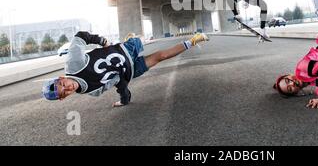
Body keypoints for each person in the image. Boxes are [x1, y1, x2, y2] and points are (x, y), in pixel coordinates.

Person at [42, 31, 209, 107]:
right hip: (129, 70)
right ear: (64, 98)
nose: (68, 88)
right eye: (64, 92)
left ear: (61, 78)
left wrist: (101, 41)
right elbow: (117, 82)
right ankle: (193, 41)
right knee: (160, 57)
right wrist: (124, 99)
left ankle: (131, 38)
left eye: (62, 85)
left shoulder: (73, 63)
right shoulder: (91, 91)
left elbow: (80, 36)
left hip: (123, 51)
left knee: (138, 40)